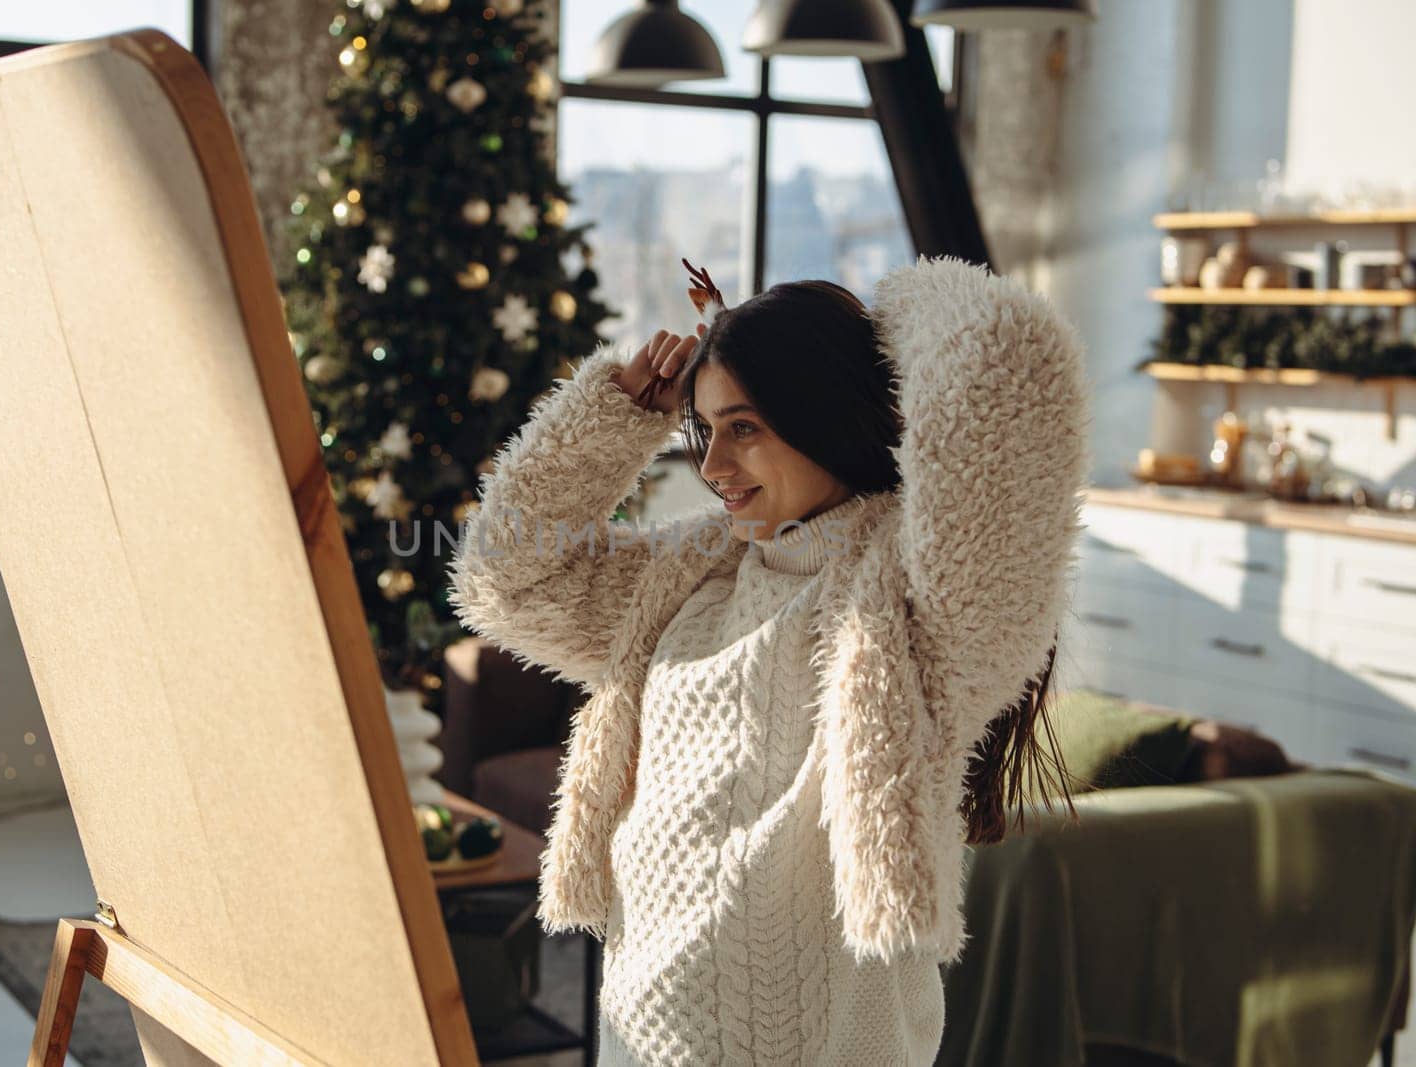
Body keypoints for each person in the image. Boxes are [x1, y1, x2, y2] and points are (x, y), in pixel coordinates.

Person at [447, 255, 1090, 1065]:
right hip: (635, 1037)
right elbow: (504, 578)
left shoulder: (920, 602)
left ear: (826, 411)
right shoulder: (695, 568)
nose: (713, 468)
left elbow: (1006, 359)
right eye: (707, 430)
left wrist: (875, 325)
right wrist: (613, 422)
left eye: (744, 427)